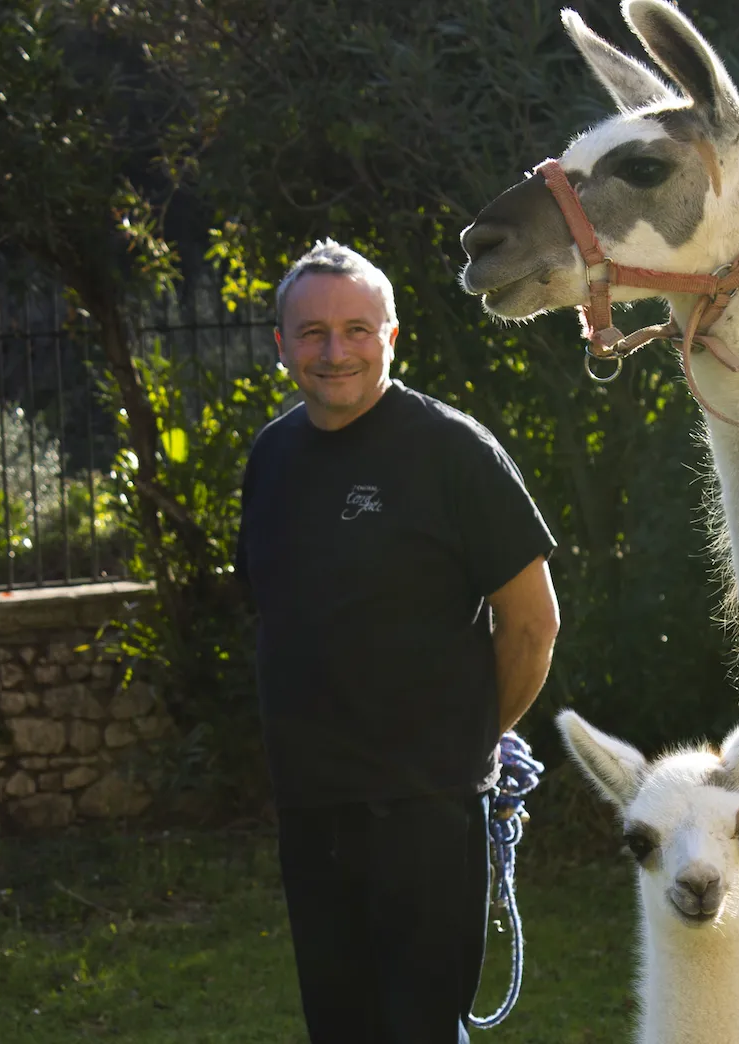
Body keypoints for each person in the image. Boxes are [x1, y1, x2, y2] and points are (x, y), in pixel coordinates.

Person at [234, 239, 560, 1044]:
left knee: (418, 1030)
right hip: (312, 808)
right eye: (311, 332)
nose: (334, 350)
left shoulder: (453, 452)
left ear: (391, 336)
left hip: (424, 811)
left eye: (355, 328)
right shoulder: (271, 457)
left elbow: (533, 624)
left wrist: (469, 742)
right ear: (281, 345)